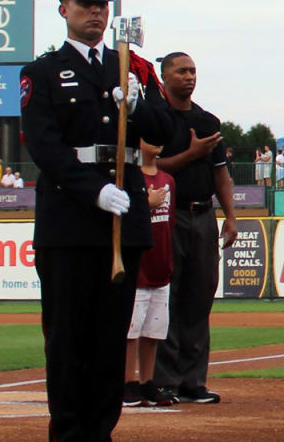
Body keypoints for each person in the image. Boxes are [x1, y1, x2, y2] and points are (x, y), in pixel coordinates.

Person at [21, 0, 174, 441]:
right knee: (68, 339)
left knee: (111, 340)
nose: (95, 11)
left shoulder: (130, 68)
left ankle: (100, 432)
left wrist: (139, 102)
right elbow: (42, 145)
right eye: (85, 3)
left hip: (122, 216)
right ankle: (68, 433)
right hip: (70, 217)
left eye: (102, 3)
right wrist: (92, 190)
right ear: (63, 9)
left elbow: (165, 133)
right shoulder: (44, 71)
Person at [153, 51, 238, 404]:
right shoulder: (156, 120)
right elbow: (153, 167)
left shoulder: (206, 121)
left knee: (199, 298)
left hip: (203, 215)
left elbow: (221, 173)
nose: (189, 77)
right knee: (167, 299)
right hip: (167, 215)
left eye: (193, 71)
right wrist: (190, 154)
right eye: (181, 71)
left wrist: (230, 216)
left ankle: (193, 381)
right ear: (165, 77)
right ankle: (166, 380)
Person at [124, 139, 175, 408]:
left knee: (154, 331)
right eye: (148, 138)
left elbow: (170, 223)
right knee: (131, 330)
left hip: (160, 264)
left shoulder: (168, 179)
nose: (155, 143)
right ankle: (127, 382)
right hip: (139, 265)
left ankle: (147, 382)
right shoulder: (132, 178)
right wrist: (147, 204)